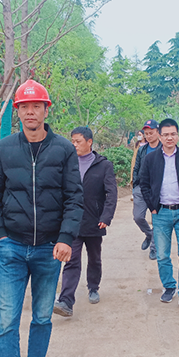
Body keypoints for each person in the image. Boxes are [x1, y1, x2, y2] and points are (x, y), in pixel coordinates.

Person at [0, 79, 84, 357]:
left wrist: (65, 238)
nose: (30, 112)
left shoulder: (64, 149)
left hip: (49, 250)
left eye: (36, 106)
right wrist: (0, 234)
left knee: (41, 317)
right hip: (12, 247)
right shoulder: (4, 149)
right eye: (24, 107)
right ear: (18, 111)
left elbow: (74, 197)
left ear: (45, 110)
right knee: (7, 321)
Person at [53, 126, 117, 317]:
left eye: (78, 141)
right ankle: (66, 300)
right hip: (72, 222)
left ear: (89, 142)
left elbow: (111, 193)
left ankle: (93, 287)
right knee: (71, 260)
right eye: (72, 141)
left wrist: (106, 216)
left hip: (95, 220)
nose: (74, 145)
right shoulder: (68, 163)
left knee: (94, 257)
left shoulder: (103, 165)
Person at [139, 118, 179, 308]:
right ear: (159, 136)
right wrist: (152, 206)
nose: (169, 138)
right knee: (163, 255)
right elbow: (144, 183)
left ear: (178, 135)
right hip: (161, 212)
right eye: (165, 135)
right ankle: (169, 287)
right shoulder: (151, 159)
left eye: (173, 134)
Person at [132, 119, 162, 260]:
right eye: (146, 133)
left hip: (158, 190)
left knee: (156, 219)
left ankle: (154, 248)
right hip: (141, 188)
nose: (148, 136)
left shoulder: (163, 149)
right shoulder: (142, 149)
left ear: (158, 132)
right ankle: (149, 235)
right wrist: (135, 185)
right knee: (138, 217)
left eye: (151, 133)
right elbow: (136, 167)